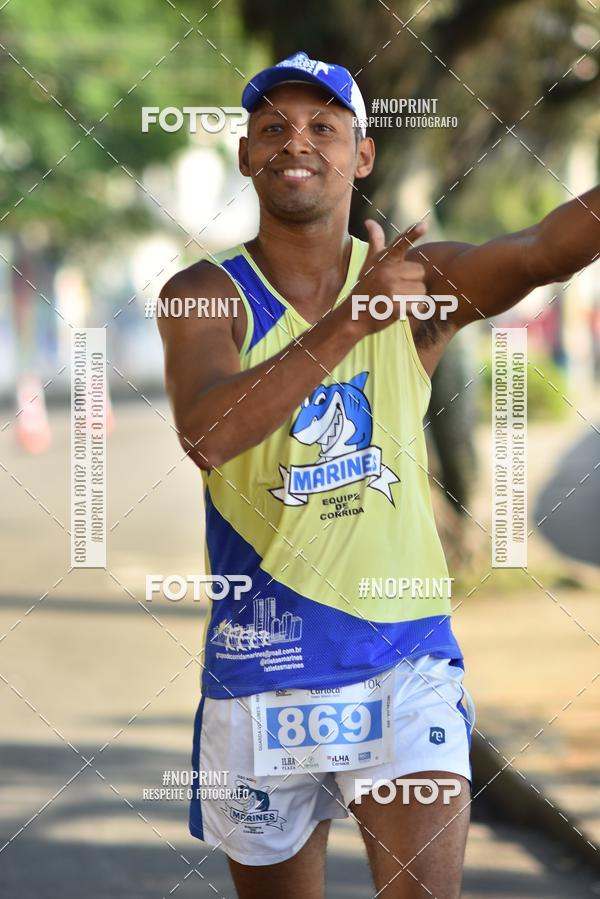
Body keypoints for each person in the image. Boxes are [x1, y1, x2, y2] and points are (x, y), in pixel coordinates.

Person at [157, 51, 600, 899]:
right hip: (262, 667)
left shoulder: (415, 285)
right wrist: (350, 325)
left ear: (361, 156)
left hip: (404, 661)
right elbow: (208, 433)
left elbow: (543, 249)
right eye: (275, 127)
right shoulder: (203, 293)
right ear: (247, 154)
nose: (299, 143)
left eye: (325, 127)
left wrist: (375, 311)